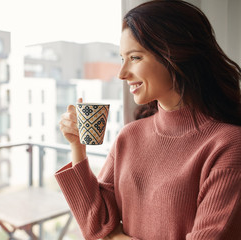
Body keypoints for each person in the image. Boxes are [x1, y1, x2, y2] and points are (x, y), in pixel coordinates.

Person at [56, 0, 241, 239]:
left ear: (174, 55)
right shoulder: (129, 136)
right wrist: (77, 147)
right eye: (122, 58)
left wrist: (114, 236)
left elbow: (105, 233)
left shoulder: (229, 145)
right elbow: (97, 224)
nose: (122, 74)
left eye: (135, 58)